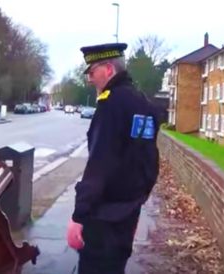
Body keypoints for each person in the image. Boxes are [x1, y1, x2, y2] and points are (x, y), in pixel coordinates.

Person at [66, 42, 160, 274]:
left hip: (102, 219)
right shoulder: (144, 103)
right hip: (127, 216)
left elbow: (99, 165)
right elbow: (150, 163)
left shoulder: (111, 104)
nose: (89, 78)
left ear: (108, 69)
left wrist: (79, 215)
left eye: (92, 71)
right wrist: (136, 203)